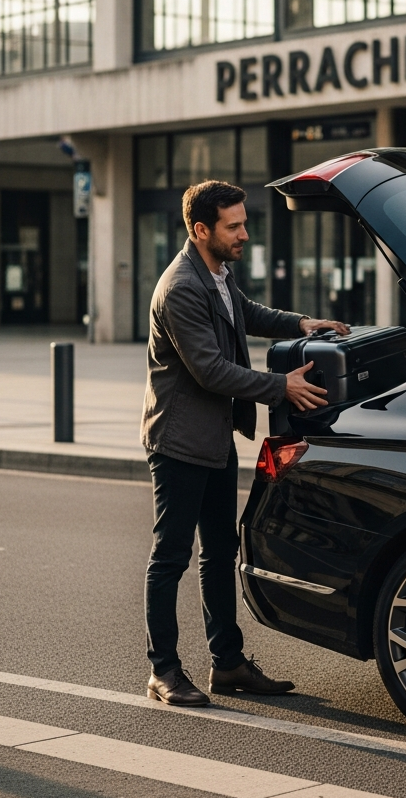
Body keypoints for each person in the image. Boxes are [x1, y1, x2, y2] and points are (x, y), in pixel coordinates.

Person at [141, 179, 349, 707]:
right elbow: (211, 371)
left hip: (213, 440)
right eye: (233, 226)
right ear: (200, 229)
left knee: (220, 551)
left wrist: (302, 322)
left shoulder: (216, 274)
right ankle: (163, 670)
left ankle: (227, 662)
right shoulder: (182, 287)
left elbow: (246, 312)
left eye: (243, 222)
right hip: (180, 441)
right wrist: (282, 385)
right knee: (171, 557)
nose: (244, 234)